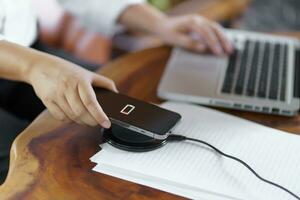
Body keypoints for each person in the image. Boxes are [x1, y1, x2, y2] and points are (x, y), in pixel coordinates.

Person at [0, 0, 232, 184]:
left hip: (25, 45)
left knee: (120, 99)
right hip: (30, 62)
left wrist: (160, 23)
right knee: (30, 168)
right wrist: (32, 66)